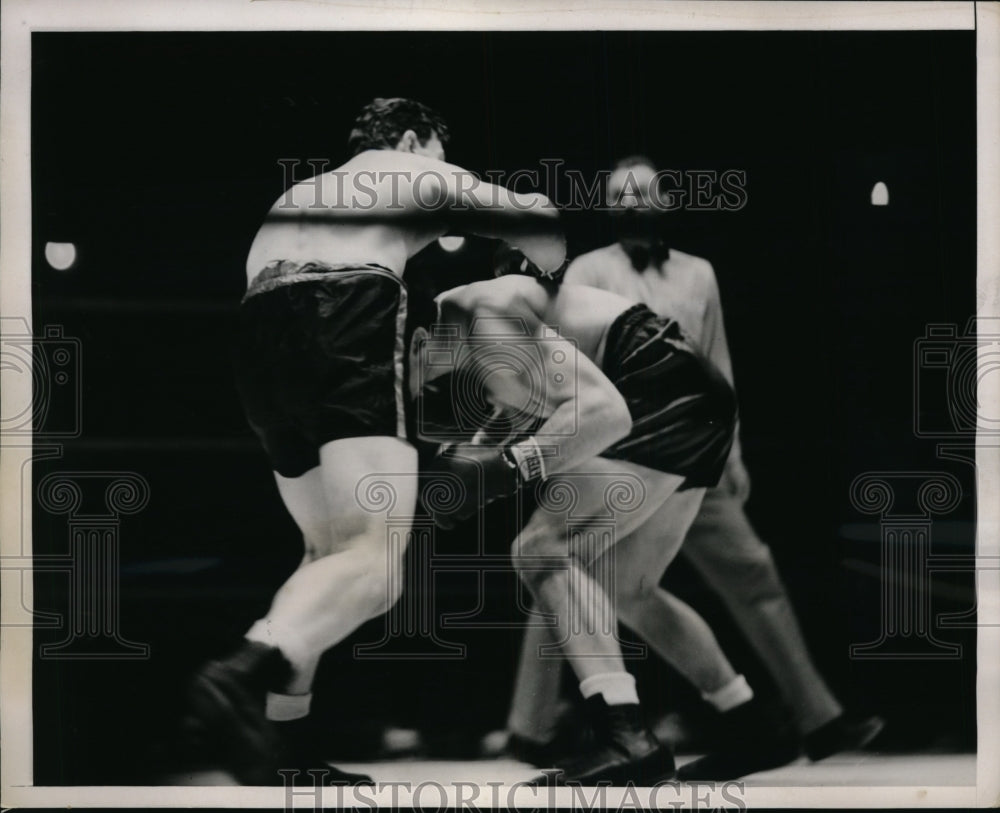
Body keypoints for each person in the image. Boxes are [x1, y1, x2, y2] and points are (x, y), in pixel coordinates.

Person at [184, 98, 566, 786]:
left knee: (324, 552)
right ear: (417, 139)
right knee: (376, 563)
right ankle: (242, 669)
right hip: (345, 311)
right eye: (441, 156)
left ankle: (285, 746)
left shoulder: (299, 194)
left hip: (258, 326)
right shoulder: (405, 167)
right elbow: (543, 230)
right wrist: (532, 240)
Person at [504, 155, 883, 779]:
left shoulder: (697, 274)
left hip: (677, 439)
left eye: (642, 195)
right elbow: (567, 367)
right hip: (620, 438)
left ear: (665, 202)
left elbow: (716, 360)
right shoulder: (588, 268)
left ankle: (803, 717)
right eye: (619, 197)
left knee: (563, 560)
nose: (631, 205)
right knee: (596, 579)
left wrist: (731, 450)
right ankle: (548, 727)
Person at [413, 251, 743, 784]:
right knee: (633, 586)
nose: (423, 399)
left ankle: (627, 737)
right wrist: (473, 466)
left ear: (418, 339)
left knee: (540, 548)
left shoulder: (483, 314)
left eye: (417, 383)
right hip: (694, 394)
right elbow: (524, 403)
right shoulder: (478, 337)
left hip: (653, 389)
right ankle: (747, 717)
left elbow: (604, 412)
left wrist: (502, 471)